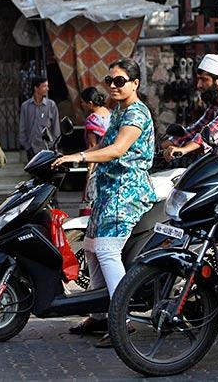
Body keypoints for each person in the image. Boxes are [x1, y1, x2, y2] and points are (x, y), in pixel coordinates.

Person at [53, 57, 156, 347]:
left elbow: (117, 149)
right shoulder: (119, 111)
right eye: (109, 80)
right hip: (108, 190)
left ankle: (122, 322)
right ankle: (99, 314)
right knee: (91, 248)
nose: (112, 85)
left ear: (135, 83)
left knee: (108, 250)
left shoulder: (136, 114)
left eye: (120, 81)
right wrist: (74, 156)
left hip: (127, 191)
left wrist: (80, 157)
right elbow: (102, 146)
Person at [79, 86, 111, 213]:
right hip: (112, 160)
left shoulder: (92, 120)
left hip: (98, 164)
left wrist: (89, 171)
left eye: (82, 102)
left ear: (90, 103)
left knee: (91, 201)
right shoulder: (112, 114)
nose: (81, 105)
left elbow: (92, 148)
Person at [19, 76, 60, 161]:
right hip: (32, 150)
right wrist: (27, 147)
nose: (47, 89)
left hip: (48, 149)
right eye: (44, 86)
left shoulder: (51, 105)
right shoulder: (25, 106)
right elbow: (22, 129)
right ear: (36, 88)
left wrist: (52, 145)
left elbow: (56, 129)